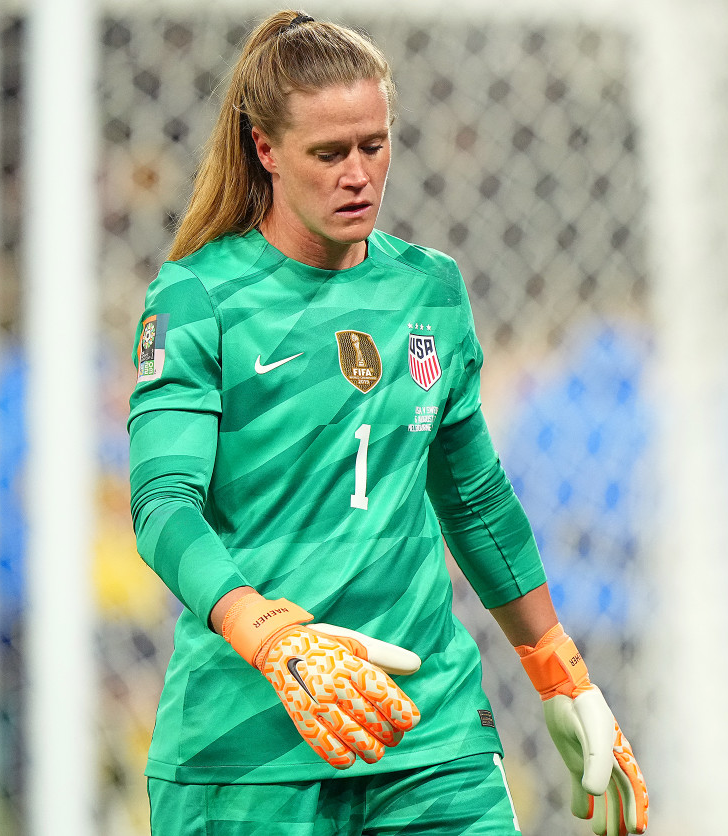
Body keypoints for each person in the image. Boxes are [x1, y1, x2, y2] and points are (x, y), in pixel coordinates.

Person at [127, 11, 648, 836]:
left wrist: (558, 669)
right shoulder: (200, 298)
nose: (358, 174)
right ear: (265, 150)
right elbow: (163, 505)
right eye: (328, 154)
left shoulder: (430, 291)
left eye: (374, 145)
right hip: (250, 743)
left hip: (430, 733)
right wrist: (264, 633)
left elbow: (474, 499)